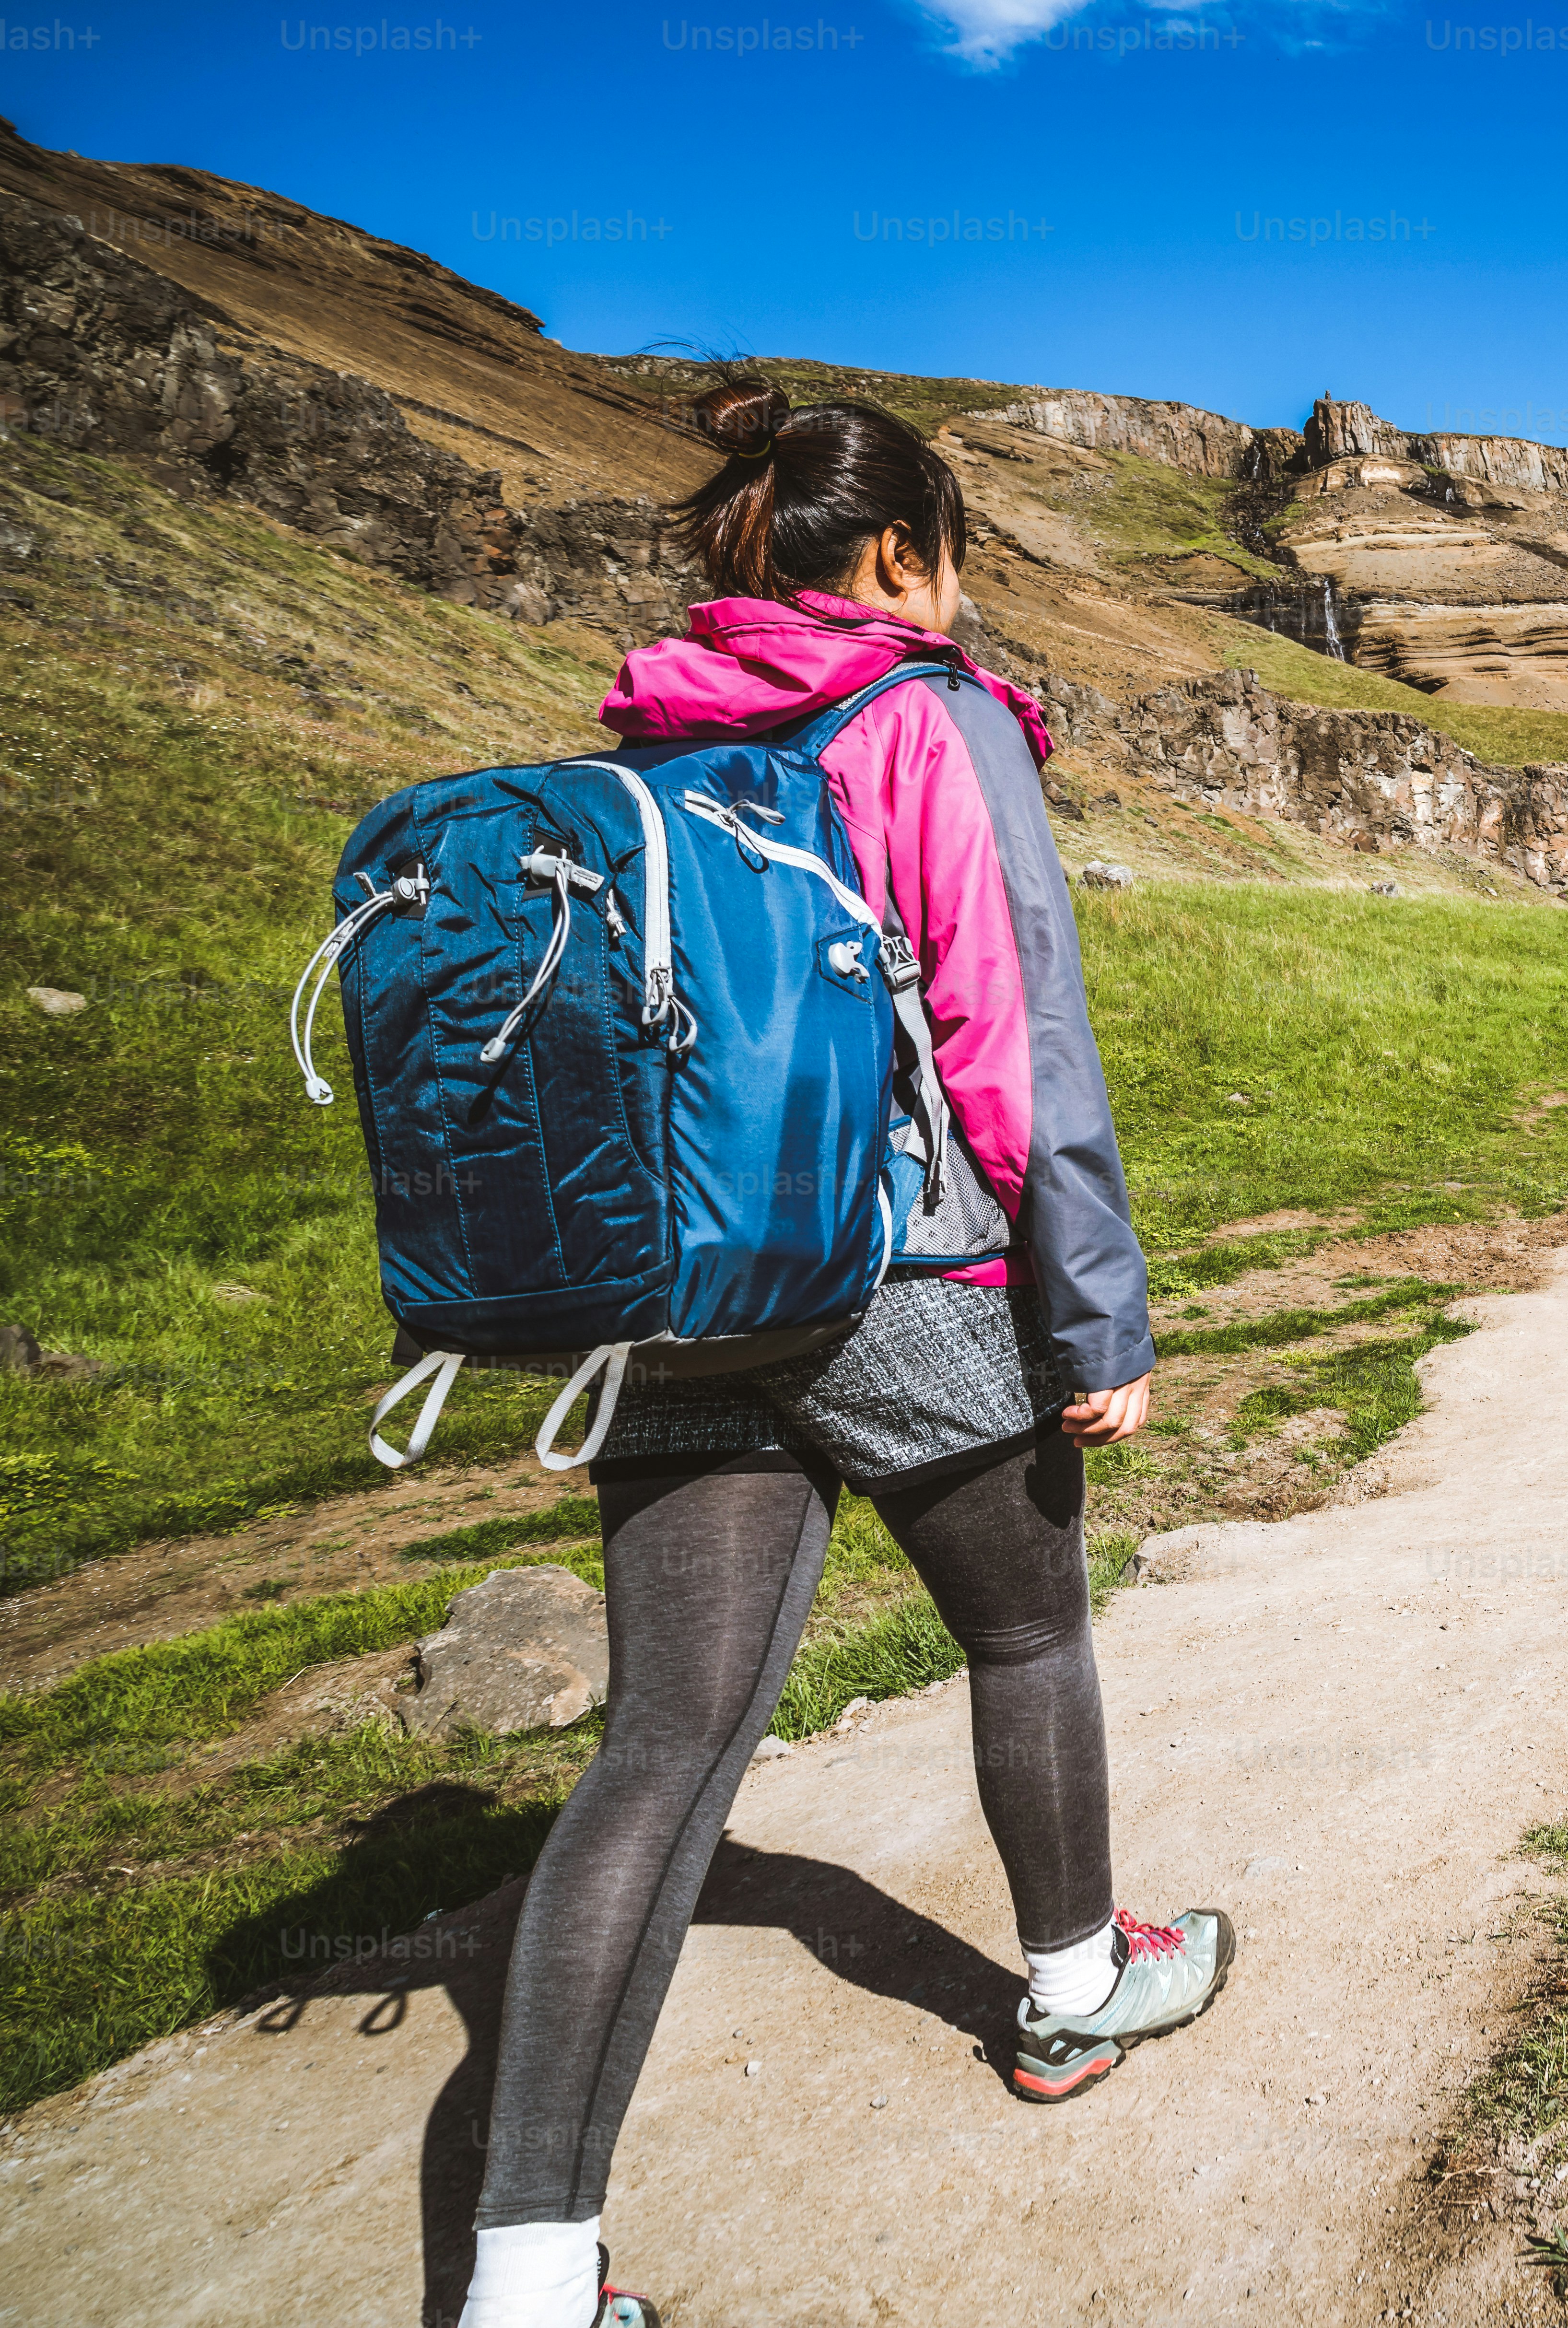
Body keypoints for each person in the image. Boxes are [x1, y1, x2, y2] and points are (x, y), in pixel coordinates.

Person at [455, 380, 1229, 2328]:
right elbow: (1015, 1033)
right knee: (1027, 1630)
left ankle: (530, 2284)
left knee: (658, 1750)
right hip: (899, 1284)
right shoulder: (926, 717)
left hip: (673, 1279)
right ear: (903, 552)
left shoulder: (654, 731)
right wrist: (1094, 1318)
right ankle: (1070, 1990)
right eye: (951, 552)